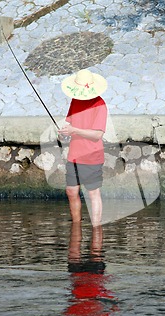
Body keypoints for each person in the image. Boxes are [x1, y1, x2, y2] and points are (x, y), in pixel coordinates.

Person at [59, 69, 108, 227]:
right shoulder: (75, 101)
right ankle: (76, 226)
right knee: (71, 191)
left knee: (93, 193)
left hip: (92, 155)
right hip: (74, 154)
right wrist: (64, 134)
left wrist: (75, 131)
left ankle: (96, 229)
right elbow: (70, 124)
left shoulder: (100, 105)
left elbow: (97, 135)